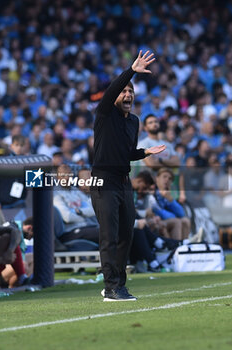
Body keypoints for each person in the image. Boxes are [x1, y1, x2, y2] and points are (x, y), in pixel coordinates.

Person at [90, 50, 166, 301]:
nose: (127, 94)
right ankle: (111, 286)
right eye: (124, 91)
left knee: (126, 234)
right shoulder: (104, 113)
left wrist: (144, 152)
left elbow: (127, 154)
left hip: (124, 183)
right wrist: (131, 71)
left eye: (131, 92)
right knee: (109, 235)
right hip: (103, 180)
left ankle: (118, 284)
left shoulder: (134, 121)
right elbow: (112, 90)